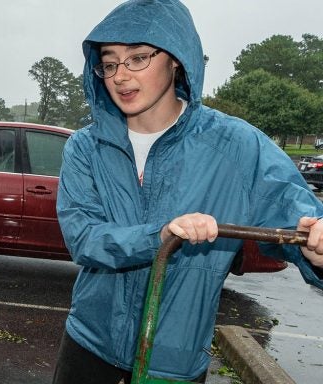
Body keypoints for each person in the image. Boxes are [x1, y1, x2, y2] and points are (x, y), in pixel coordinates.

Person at [53, 0, 323, 383]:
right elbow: (84, 237)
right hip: (89, 350)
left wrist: (315, 251)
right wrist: (160, 236)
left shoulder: (237, 145)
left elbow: (296, 218)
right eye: (110, 63)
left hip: (174, 366)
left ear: (177, 59)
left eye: (138, 58)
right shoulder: (86, 146)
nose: (120, 76)